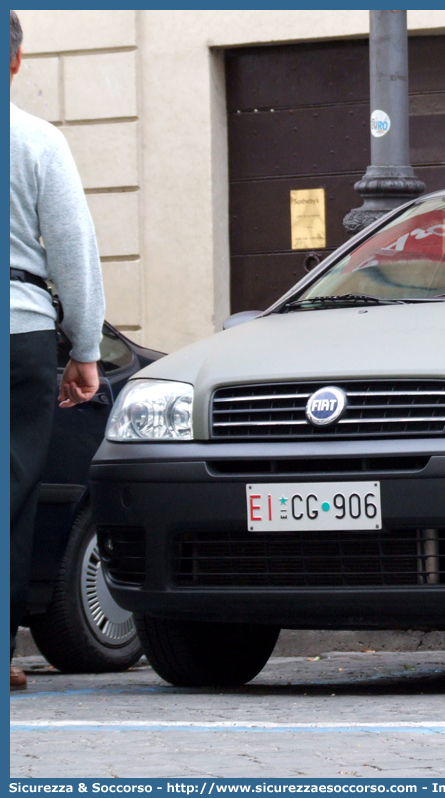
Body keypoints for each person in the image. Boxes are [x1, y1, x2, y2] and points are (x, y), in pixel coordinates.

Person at [10, 10, 105, 689]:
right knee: (13, 491)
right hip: (18, 332)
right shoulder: (37, 140)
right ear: (15, 61)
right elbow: (72, 250)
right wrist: (87, 346)